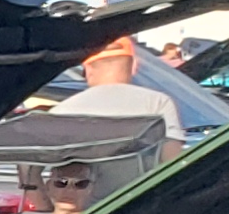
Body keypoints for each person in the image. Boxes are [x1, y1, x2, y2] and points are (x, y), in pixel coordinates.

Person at [54, 40, 189, 145]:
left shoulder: (61, 112)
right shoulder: (157, 103)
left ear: (88, 69)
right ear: (134, 66)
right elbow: (171, 155)